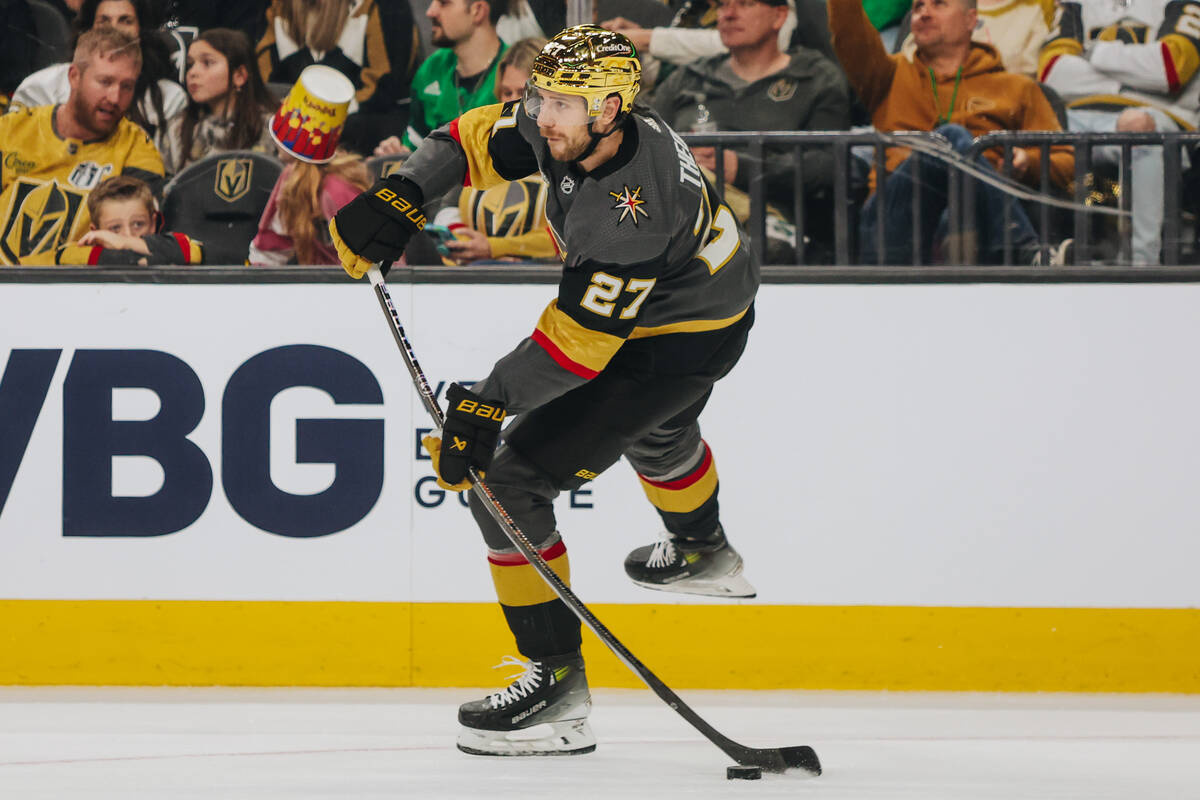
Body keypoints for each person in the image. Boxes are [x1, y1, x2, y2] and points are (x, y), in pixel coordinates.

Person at [330, 26, 759, 757]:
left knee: (508, 477)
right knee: (659, 435)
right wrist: (402, 195)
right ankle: (704, 548)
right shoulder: (575, 125)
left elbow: (581, 346)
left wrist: (488, 401)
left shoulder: (633, 207)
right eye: (540, 95)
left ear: (612, 107)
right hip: (718, 301)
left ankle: (556, 688)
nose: (542, 114)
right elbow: (464, 140)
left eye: (564, 102)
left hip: (674, 339)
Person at [829, 0, 1074, 264]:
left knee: (957, 177)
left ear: (971, 19)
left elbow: (1070, 161)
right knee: (950, 138)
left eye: (939, 4)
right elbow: (848, 31)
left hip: (976, 218)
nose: (923, 13)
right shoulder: (887, 75)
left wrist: (1029, 163)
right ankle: (1024, 250)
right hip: (895, 220)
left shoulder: (1016, 88)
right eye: (918, 6)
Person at [649, 0, 851, 250]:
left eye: (744, 4)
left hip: (780, 235)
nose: (728, 15)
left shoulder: (816, 79)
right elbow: (647, 147)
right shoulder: (684, 81)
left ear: (779, 16)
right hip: (684, 226)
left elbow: (829, 167)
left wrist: (743, 168)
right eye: (723, 5)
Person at [1038, 0, 1199, 264]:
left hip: (1159, 120)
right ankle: (1050, 254)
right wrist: (1130, 84)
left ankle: (1142, 263)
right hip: (1078, 117)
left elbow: (1169, 68)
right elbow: (1052, 72)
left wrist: (1095, 53)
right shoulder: (1076, 5)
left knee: (1140, 129)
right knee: (1037, 127)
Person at [0, 27, 165, 265]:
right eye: (105, 82)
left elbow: (142, 240)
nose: (115, 97)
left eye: (126, 86)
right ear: (74, 76)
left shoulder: (137, 149)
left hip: (81, 286)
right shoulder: (11, 130)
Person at [435, 37, 556, 265]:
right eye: (506, 92)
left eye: (522, 93)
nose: (512, 103)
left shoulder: (568, 153)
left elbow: (571, 235)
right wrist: (464, 245)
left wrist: (493, 249)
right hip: (473, 273)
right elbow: (447, 207)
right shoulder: (482, 146)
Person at [10, 0, 188, 152]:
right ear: (89, 30)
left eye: (125, 21)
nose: (114, 30)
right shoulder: (41, 87)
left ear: (141, 31)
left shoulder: (169, 99)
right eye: (104, 21)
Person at [249, 65, 369, 264]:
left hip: (353, 289)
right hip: (320, 285)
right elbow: (269, 251)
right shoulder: (291, 175)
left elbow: (374, 262)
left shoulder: (337, 189)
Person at [159, 28, 277, 175]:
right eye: (190, 64)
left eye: (207, 63)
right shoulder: (176, 128)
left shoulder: (273, 129)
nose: (192, 72)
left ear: (239, 75)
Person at [398, 0, 508, 151]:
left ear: (478, 11)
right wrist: (398, 153)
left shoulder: (515, 75)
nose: (430, 12)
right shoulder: (432, 68)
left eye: (443, 3)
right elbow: (415, 144)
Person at [19, 174, 204, 264]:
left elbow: (193, 252)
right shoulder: (76, 252)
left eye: (138, 224)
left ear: (154, 222)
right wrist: (143, 255)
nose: (128, 234)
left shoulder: (173, 243)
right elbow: (64, 255)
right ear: (95, 231)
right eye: (115, 229)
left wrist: (122, 243)